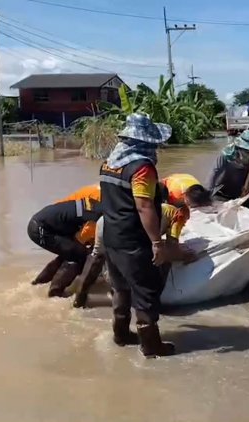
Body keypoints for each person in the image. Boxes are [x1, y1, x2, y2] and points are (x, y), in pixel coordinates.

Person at [98, 112, 176, 358]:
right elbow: (144, 206)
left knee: (121, 288)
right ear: (146, 142)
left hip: (112, 236)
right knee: (147, 291)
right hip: (133, 241)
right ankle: (151, 346)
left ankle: (120, 335)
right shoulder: (141, 168)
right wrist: (157, 242)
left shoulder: (109, 163)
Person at [71, 201, 197, 309]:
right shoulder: (177, 215)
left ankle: (79, 299)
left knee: (96, 256)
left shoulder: (161, 208)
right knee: (160, 259)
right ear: (182, 211)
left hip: (105, 221)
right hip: (125, 231)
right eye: (186, 218)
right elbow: (171, 247)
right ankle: (152, 304)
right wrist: (186, 255)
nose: (185, 222)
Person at [26, 195, 103, 298]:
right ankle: (55, 292)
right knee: (79, 255)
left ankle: (39, 283)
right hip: (40, 229)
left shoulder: (93, 201)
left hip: (42, 222)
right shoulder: (98, 216)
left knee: (69, 252)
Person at [207, 129, 249, 205]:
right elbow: (214, 173)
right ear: (239, 148)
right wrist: (207, 194)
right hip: (221, 194)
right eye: (247, 151)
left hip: (241, 196)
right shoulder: (226, 155)